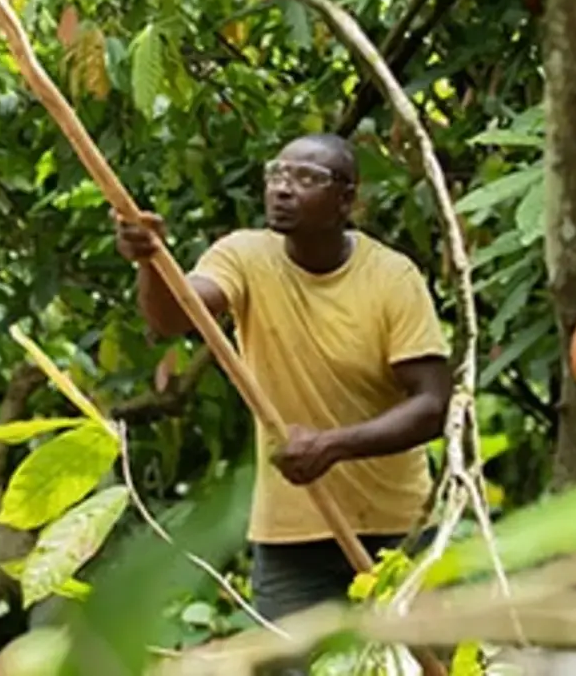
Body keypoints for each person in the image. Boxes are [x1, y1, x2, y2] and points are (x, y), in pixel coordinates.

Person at [113, 132, 452, 626]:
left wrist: (333, 445)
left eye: (307, 178)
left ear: (345, 201)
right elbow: (174, 316)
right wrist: (149, 258)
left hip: (397, 527)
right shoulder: (246, 256)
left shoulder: (392, 278)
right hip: (291, 533)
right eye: (277, 173)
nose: (284, 188)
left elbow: (432, 405)